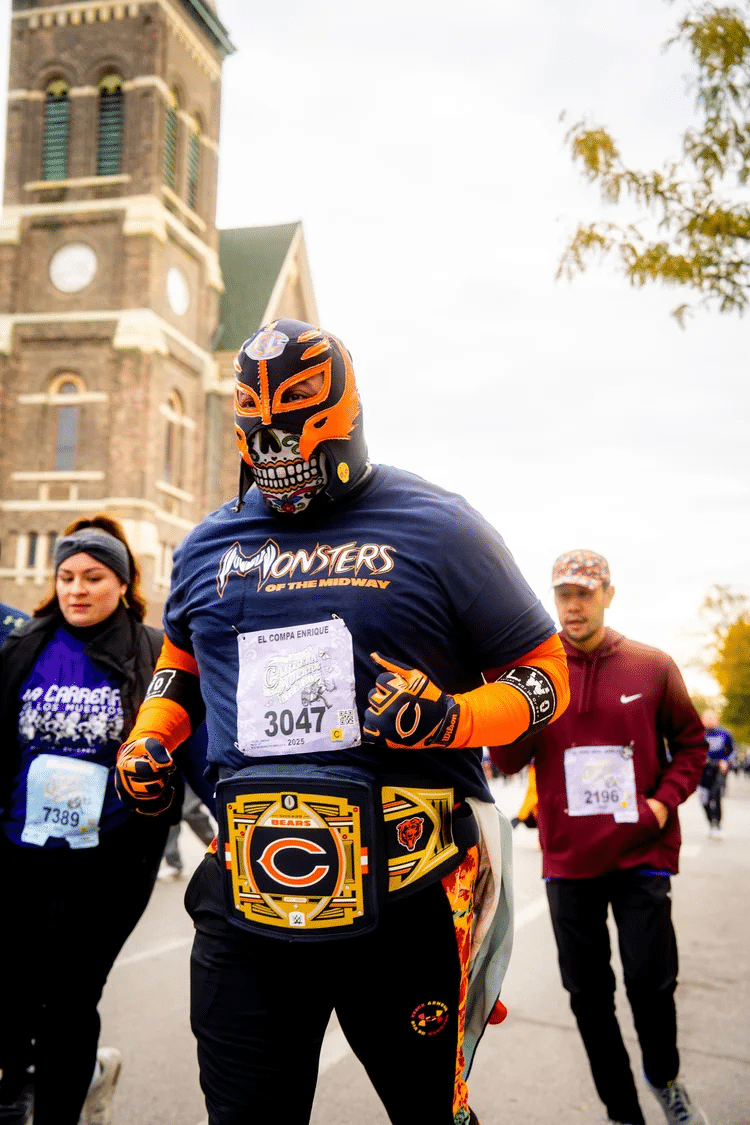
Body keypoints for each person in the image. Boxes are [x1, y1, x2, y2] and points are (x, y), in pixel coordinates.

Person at [115, 317, 571, 1125]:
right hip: (249, 893)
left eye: (300, 443)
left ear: (347, 421)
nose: (282, 469)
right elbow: (178, 668)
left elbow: (545, 673)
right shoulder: (207, 542)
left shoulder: (442, 526)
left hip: (408, 895)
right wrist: (150, 737)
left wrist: (453, 716)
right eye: (264, 447)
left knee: (431, 1113)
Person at [0, 515, 207, 1125]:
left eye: (93, 577)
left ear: (122, 583)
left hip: (110, 858)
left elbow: (190, 744)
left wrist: (229, 820)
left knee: (68, 997)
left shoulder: (150, 653)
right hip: (18, 848)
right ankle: (18, 1090)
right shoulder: (24, 646)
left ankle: (58, 1109)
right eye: (66, 576)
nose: (77, 589)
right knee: (12, 989)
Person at [491, 548, 709, 1125]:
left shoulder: (651, 666)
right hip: (568, 862)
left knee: (650, 983)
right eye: (563, 593)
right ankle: (623, 1112)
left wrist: (663, 804)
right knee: (589, 998)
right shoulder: (539, 675)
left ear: (608, 594)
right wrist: (504, 692)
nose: (572, 604)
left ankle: (665, 1078)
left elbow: (692, 745)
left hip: (641, 854)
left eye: (584, 593)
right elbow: (508, 759)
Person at [697, 708, 735, 839]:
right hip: (703, 770)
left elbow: (732, 752)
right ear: (702, 719)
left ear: (716, 719)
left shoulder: (725, 734)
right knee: (703, 798)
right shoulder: (698, 734)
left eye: (712, 718)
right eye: (706, 718)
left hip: (719, 770)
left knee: (716, 795)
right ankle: (710, 822)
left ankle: (717, 824)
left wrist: (726, 761)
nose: (709, 720)